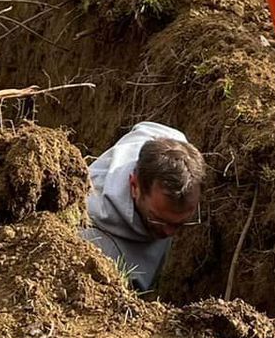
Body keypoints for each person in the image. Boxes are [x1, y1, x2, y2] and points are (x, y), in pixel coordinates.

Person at [80, 122, 205, 291]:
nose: (170, 233)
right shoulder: (92, 241)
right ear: (134, 187)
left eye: (180, 223)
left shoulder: (169, 142)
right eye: (160, 220)